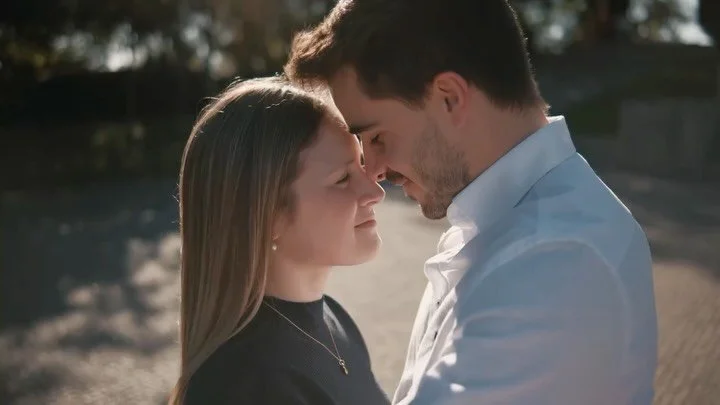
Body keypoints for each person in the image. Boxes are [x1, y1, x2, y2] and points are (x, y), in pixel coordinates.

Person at [284, 0, 658, 404]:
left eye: (376, 138)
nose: (372, 171)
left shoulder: (556, 260)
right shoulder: (505, 225)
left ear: (449, 97)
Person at [168, 77, 390, 405]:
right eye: (343, 178)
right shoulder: (247, 384)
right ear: (267, 214)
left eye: (361, 164)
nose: (376, 192)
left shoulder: (335, 319)